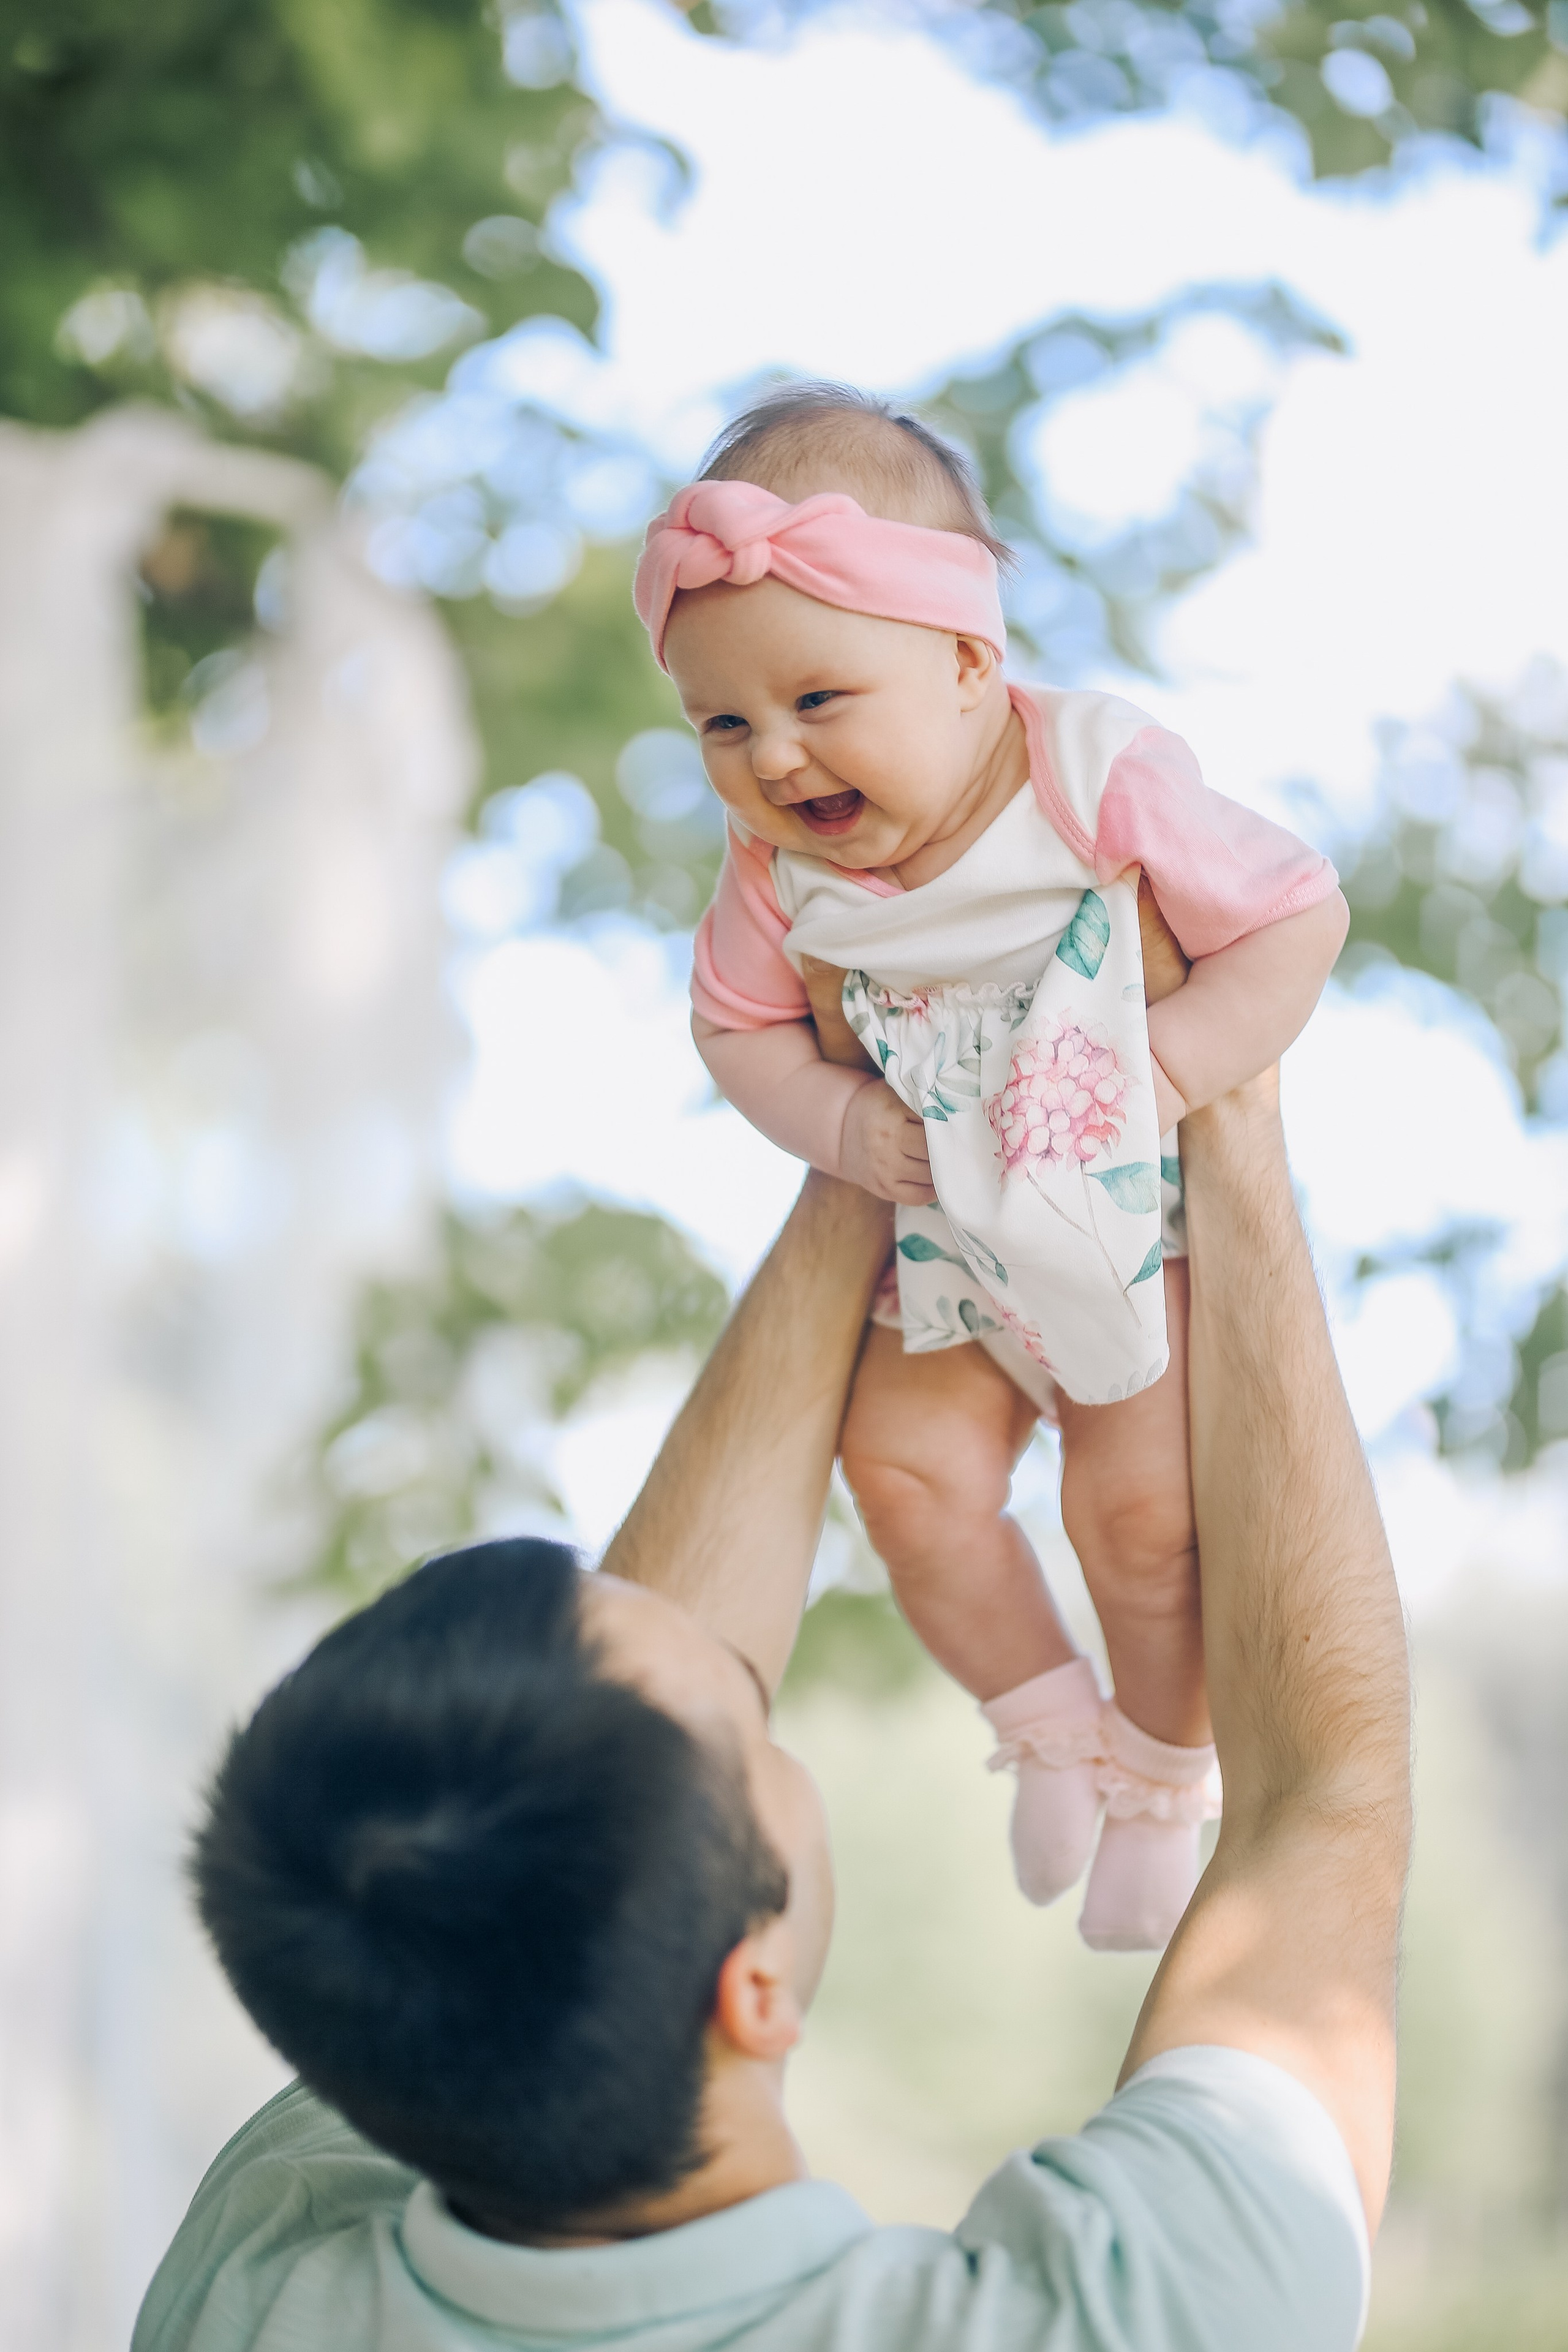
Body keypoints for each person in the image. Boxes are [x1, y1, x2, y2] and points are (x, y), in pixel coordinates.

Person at [134, 1065, 1409, 2352]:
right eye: (753, 1733)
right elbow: (1327, 1806)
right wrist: (1225, 1099)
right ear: (749, 1990)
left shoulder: (274, 2269)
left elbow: (615, 1740)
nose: (753, 1685)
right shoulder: (1128, 2322)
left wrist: (871, 1130)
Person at [641, 383, 1349, 1949]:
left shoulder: (1090, 775)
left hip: (1130, 1230)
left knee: (1140, 1523)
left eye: (818, 699)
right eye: (723, 724)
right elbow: (735, 1031)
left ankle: (1164, 1779)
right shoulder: (776, 880)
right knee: (902, 1476)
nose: (773, 758)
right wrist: (840, 1129)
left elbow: (1295, 912)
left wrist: (1170, 1066)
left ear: (967, 664)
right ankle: (1045, 1726)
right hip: (948, 1238)